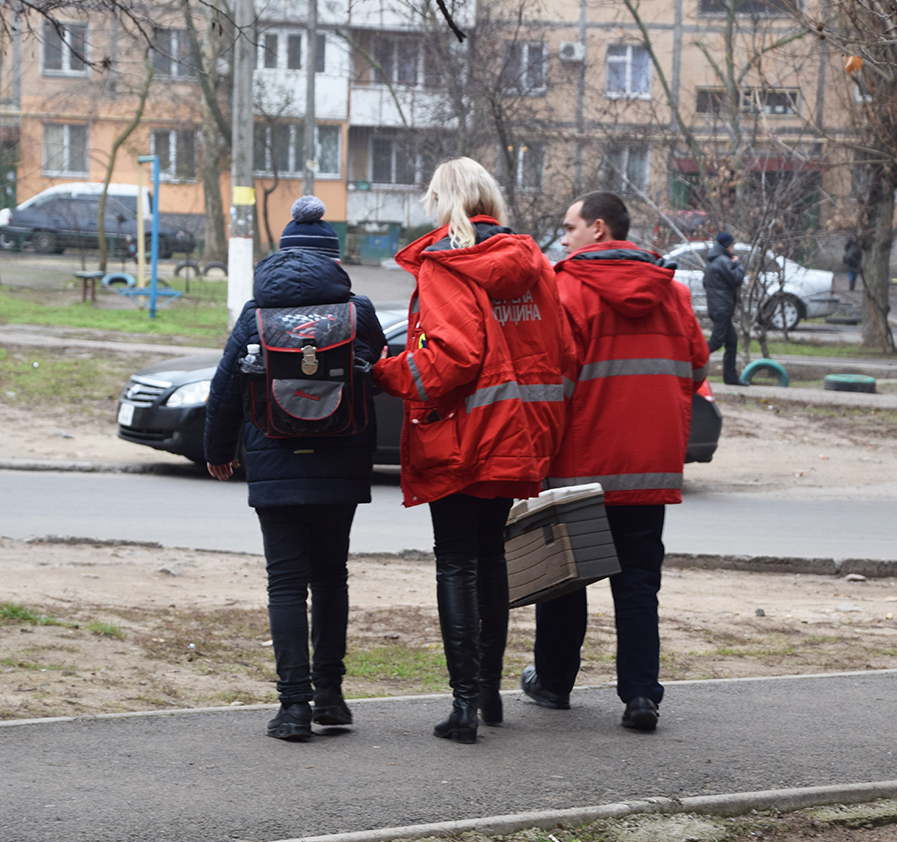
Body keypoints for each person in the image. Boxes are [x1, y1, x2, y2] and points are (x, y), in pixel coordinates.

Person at [372, 157, 571, 744]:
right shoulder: (534, 265)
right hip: (519, 435)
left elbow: (449, 360)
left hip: (461, 436)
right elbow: (563, 352)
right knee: (490, 560)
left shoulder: (447, 265)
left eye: (431, 197)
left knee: (456, 561)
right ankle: (486, 693)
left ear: (444, 200)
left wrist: (386, 373)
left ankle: (463, 706)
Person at [519, 191, 710, 732]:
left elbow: (556, 383)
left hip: (581, 465)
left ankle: (554, 683)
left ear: (598, 229)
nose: (564, 236)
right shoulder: (671, 291)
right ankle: (641, 696)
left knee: (566, 581)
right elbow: (695, 370)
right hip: (649, 468)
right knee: (638, 585)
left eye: (570, 226)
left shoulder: (566, 288)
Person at [203, 196, 385, 741]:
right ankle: (331, 695)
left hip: (274, 459)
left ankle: (293, 708)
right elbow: (378, 371)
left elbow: (225, 389)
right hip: (342, 460)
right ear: (334, 260)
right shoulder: (358, 312)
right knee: (332, 576)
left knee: (285, 583)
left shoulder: (255, 315)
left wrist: (219, 449)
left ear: (280, 258)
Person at [703, 231, 746, 386]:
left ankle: (731, 378)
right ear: (728, 245)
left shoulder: (713, 261)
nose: (733, 248)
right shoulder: (723, 261)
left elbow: (705, 283)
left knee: (731, 342)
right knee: (715, 342)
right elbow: (737, 279)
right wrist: (739, 264)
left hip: (717, 307)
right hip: (723, 309)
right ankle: (689, 359)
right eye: (732, 245)